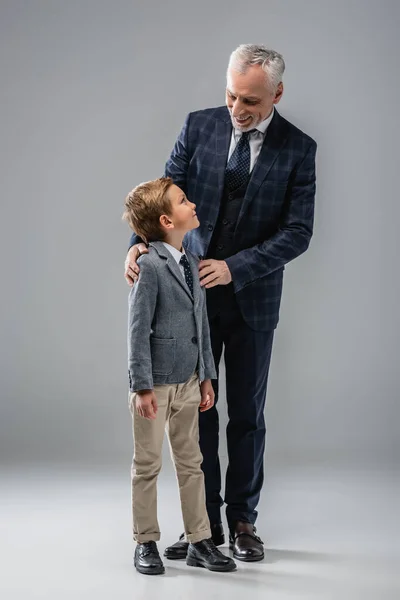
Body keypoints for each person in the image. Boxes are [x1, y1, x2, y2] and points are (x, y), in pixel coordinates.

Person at [124, 44, 317, 563]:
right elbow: (161, 194)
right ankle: (201, 525)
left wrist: (237, 267)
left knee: (247, 416)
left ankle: (243, 521)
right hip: (191, 301)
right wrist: (138, 246)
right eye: (231, 94)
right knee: (195, 415)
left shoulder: (299, 148)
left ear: (277, 93)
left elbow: (298, 233)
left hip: (254, 301)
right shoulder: (199, 126)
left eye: (250, 100)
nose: (237, 108)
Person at [123, 177, 237, 575]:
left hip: (190, 382)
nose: (192, 204)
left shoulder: (191, 263)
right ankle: (145, 541)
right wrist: (140, 386)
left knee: (193, 463)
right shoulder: (148, 266)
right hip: (154, 384)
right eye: (183, 201)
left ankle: (199, 540)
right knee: (148, 464)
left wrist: (206, 376)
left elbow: (201, 325)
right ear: (167, 220)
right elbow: (137, 330)